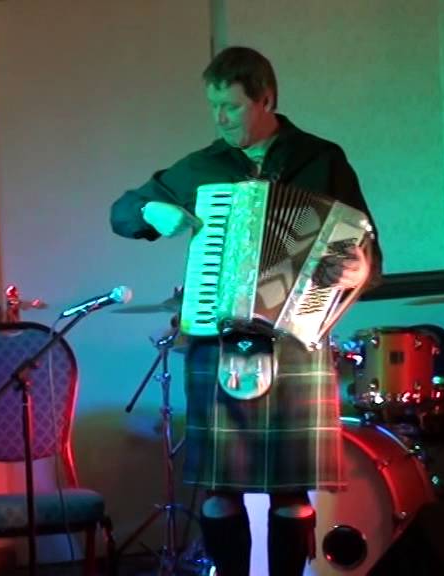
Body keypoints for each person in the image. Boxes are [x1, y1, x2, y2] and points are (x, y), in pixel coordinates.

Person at [109, 47, 382, 576]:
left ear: (266, 99)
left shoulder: (322, 159)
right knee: (219, 492)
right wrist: (149, 209)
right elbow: (121, 213)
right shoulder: (201, 167)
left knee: (292, 494)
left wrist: (360, 271)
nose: (220, 118)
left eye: (230, 107)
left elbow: (368, 248)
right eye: (213, 106)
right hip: (219, 338)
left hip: (295, 339)